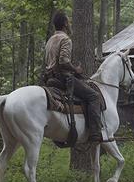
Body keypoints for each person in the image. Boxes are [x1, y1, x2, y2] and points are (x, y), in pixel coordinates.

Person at [44, 11, 103, 143]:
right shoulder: (65, 39)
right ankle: (95, 133)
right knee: (94, 96)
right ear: (65, 24)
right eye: (68, 22)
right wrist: (76, 69)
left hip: (50, 79)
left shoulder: (50, 41)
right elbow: (64, 61)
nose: (69, 24)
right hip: (63, 78)